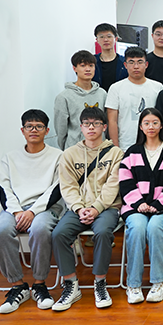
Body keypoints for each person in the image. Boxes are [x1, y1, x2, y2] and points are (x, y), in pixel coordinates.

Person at [51, 107, 123, 311]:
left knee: (103, 232)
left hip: (107, 207)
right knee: (59, 234)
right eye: (87, 124)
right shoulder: (69, 154)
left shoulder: (116, 153)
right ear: (81, 127)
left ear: (104, 127)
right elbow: (68, 186)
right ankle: (71, 284)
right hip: (78, 209)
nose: (91, 127)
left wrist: (96, 208)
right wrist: (79, 208)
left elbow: (113, 185)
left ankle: (100, 283)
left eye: (96, 123)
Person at [0, 110, 64, 314]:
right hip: (14, 209)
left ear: (47, 131)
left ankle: (40, 284)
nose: (34, 130)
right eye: (29, 126)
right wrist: (17, 212)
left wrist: (33, 211)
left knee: (40, 229)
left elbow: (57, 189)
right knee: (0, 232)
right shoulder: (10, 158)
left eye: (39, 126)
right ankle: (18, 286)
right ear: (22, 130)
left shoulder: (58, 156)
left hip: (44, 209)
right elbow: (4, 189)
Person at [119, 108, 163, 304]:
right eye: (146, 123)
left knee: (155, 227)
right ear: (140, 127)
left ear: (161, 125)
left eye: (155, 122)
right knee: (137, 227)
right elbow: (125, 182)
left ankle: (160, 281)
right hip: (135, 207)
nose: (151, 126)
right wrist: (139, 203)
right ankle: (133, 284)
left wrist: (158, 204)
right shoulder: (132, 152)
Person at [105, 46, 163, 152]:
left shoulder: (158, 87)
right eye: (131, 62)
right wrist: (116, 149)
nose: (136, 66)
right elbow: (112, 121)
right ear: (125, 65)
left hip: (153, 146)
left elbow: (162, 118)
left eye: (140, 62)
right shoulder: (116, 88)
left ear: (146, 64)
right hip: (125, 145)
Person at [54, 50, 107, 150]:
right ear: (74, 68)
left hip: (99, 149)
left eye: (91, 65)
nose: (88, 69)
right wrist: (67, 149)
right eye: (83, 65)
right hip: (75, 149)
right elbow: (61, 129)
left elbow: (106, 122)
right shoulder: (64, 97)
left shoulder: (102, 94)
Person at [93, 23, 127, 91]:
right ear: (97, 40)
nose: (105, 40)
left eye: (109, 36)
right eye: (101, 37)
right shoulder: (92, 62)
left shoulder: (125, 62)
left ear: (116, 39)